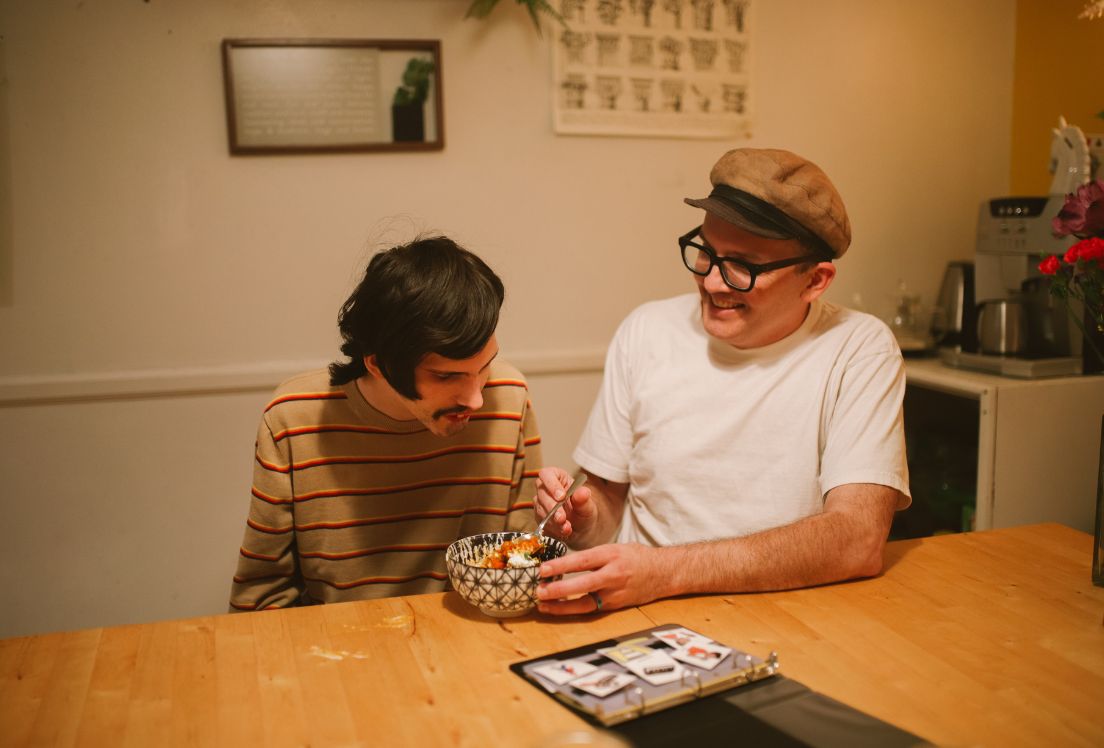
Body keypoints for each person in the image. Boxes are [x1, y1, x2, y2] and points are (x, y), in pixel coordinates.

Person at [533, 147, 910, 615]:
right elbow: (608, 503)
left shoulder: (858, 348)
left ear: (815, 280)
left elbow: (857, 540)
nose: (712, 283)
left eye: (743, 266)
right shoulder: (647, 330)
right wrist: (583, 518)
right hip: (642, 609)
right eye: (706, 252)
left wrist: (666, 572)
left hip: (790, 614)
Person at [229, 236, 542, 611]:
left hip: (471, 635)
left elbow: (523, 563)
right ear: (378, 364)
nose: (476, 399)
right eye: (447, 376)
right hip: (339, 639)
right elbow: (262, 599)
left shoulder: (508, 398)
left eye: (485, 366)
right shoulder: (293, 418)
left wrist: (558, 529)